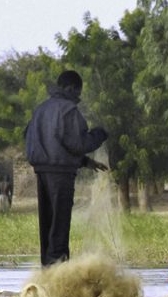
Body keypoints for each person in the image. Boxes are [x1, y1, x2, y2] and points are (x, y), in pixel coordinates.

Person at [25, 70, 108, 266]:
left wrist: (86, 162)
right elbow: (77, 143)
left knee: (47, 223)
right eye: (78, 92)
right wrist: (99, 134)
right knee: (60, 224)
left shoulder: (41, 110)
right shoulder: (68, 110)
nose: (78, 97)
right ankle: (59, 270)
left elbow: (52, 144)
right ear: (71, 88)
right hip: (60, 175)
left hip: (42, 172)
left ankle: (48, 270)